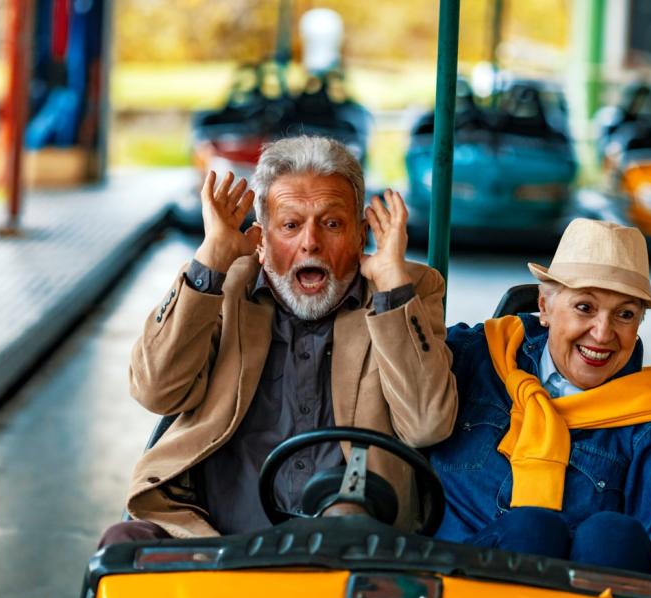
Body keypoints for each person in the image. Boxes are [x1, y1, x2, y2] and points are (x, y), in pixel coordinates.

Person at [99, 136, 456, 544]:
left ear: (361, 237)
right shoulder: (223, 283)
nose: (310, 242)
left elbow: (428, 424)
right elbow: (154, 391)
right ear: (262, 242)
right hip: (211, 539)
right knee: (120, 546)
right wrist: (212, 257)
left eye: (332, 223)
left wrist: (393, 287)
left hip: (348, 541)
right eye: (290, 225)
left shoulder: (407, 289)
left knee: (344, 522)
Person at [428, 219, 651, 598]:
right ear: (545, 306)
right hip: (460, 594)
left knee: (613, 532)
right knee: (532, 529)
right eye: (585, 307)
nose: (603, 333)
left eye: (624, 314)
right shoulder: (475, 356)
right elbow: (400, 366)